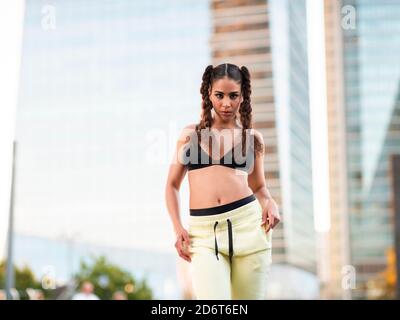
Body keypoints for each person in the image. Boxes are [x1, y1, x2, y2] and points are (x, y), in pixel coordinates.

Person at [165, 63, 281, 300]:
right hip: (205, 235)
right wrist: (178, 228)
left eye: (233, 96)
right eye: (219, 95)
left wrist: (270, 202)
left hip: (248, 229)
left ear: (242, 97)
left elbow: (259, 188)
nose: (226, 103)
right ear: (209, 94)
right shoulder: (190, 136)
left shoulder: (253, 139)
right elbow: (172, 186)